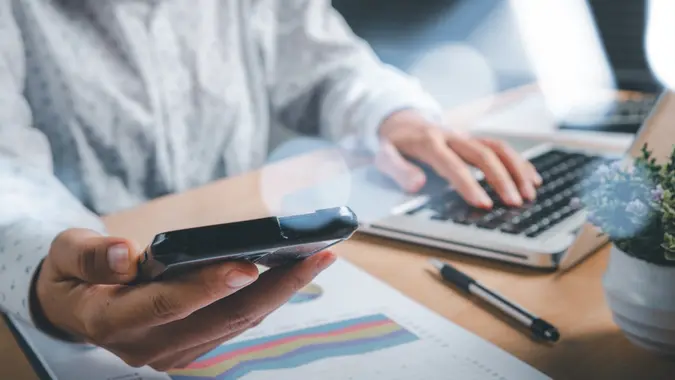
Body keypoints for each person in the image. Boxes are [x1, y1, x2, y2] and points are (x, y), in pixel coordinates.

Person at [0, 0, 541, 371]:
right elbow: (8, 182)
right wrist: (48, 286)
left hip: (240, 267)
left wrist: (394, 115)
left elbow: (329, 64)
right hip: (62, 306)